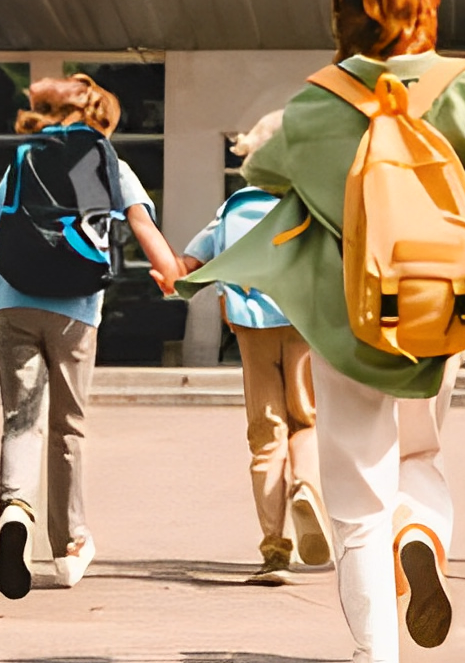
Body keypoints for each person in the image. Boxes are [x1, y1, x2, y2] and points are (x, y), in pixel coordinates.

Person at [175, 0, 465, 663]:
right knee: (421, 448)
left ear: (342, 14)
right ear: (428, 8)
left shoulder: (321, 97)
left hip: (345, 316)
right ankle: (420, 532)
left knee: (356, 495)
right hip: (441, 307)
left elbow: (261, 165)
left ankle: (375, 651)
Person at [0, 74, 184, 599]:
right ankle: (68, 547)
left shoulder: (26, 157)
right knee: (67, 426)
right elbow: (141, 227)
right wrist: (173, 274)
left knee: (20, 419)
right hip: (74, 310)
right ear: (103, 123)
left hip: (14, 301)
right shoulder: (106, 160)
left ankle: (14, 515)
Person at [179, 110, 330, 586]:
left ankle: (274, 548)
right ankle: (306, 487)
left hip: (250, 329)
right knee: (307, 421)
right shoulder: (311, 203)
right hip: (305, 324)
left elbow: (185, 264)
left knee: (266, 435)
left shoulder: (233, 208)